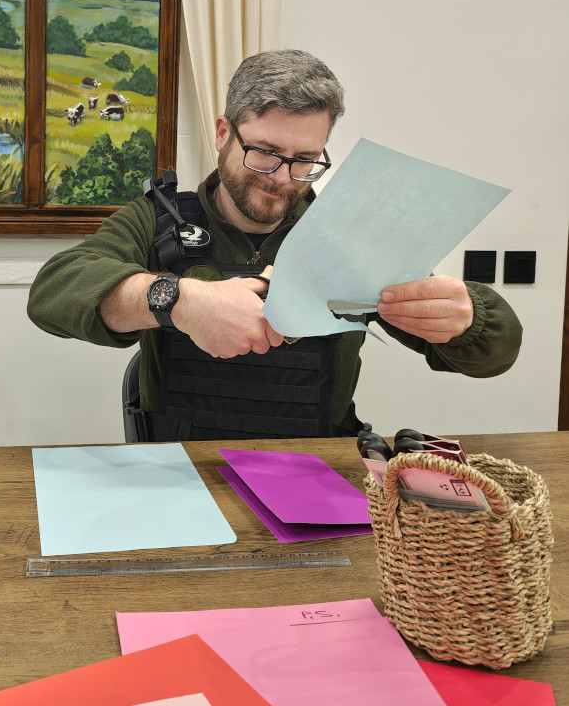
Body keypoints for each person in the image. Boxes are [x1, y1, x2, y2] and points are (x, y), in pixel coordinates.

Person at [27, 49, 522, 441]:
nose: (284, 177)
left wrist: (468, 318)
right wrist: (176, 299)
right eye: (265, 152)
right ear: (223, 134)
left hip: (316, 471)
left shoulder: (346, 236)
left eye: (305, 159)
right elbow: (53, 292)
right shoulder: (160, 221)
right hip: (184, 474)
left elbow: (495, 355)